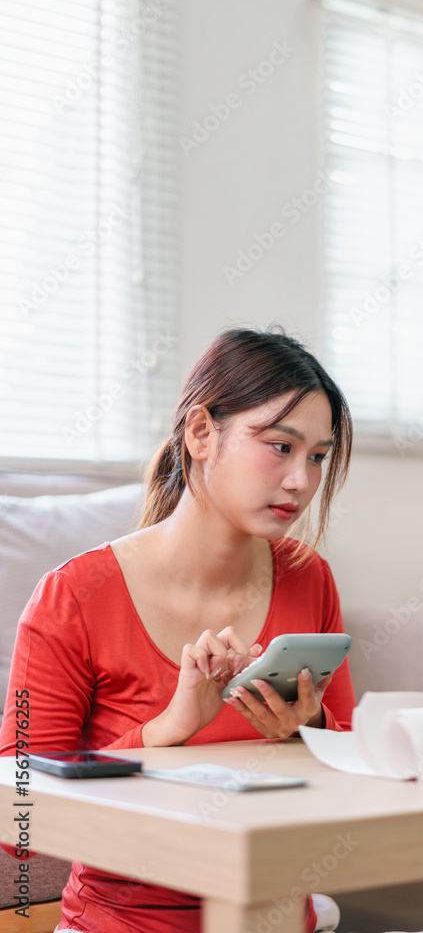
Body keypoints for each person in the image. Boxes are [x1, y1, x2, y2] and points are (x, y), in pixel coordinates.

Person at [0, 327, 356, 933]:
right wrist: (166, 730)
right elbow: (19, 816)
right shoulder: (73, 597)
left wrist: (312, 728)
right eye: (279, 446)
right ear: (200, 433)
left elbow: (352, 761)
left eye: (317, 457)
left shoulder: (309, 578)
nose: (300, 480)